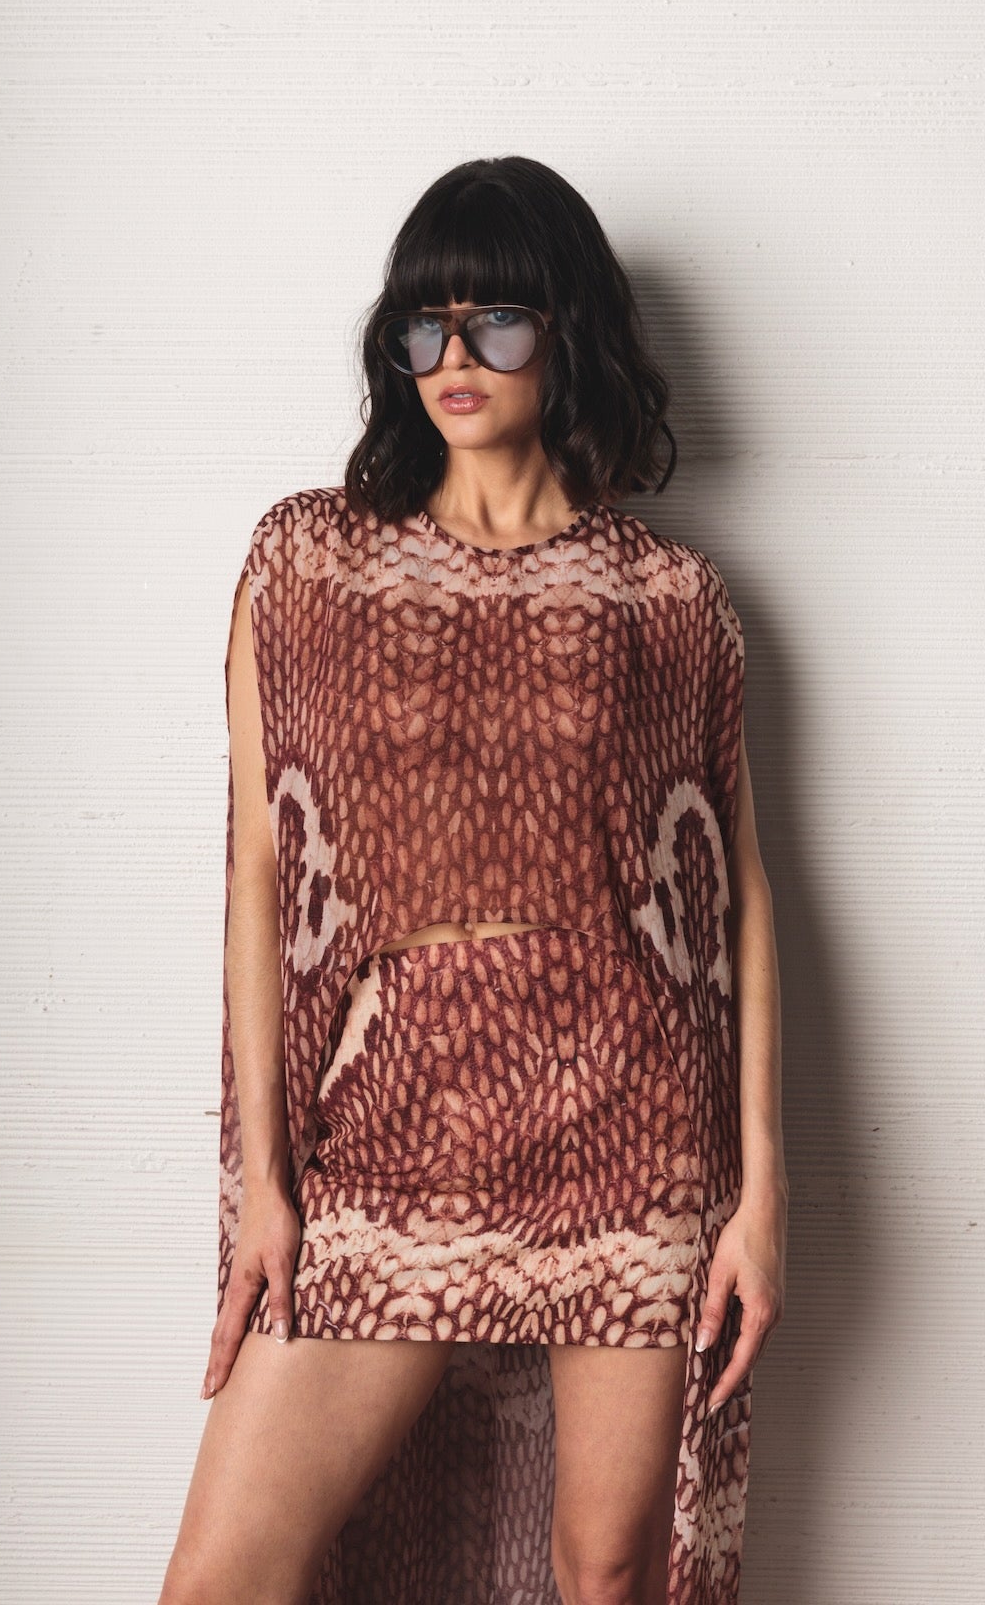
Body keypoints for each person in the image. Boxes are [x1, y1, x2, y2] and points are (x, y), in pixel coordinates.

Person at [160, 155, 789, 1605]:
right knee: (226, 1577)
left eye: (497, 321)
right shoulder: (308, 561)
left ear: (569, 331)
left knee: (608, 1570)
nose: (455, 357)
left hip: (632, 1131)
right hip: (396, 1115)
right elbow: (259, 872)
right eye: (424, 324)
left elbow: (741, 899)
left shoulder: (668, 597)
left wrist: (760, 1198)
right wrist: (267, 1185)